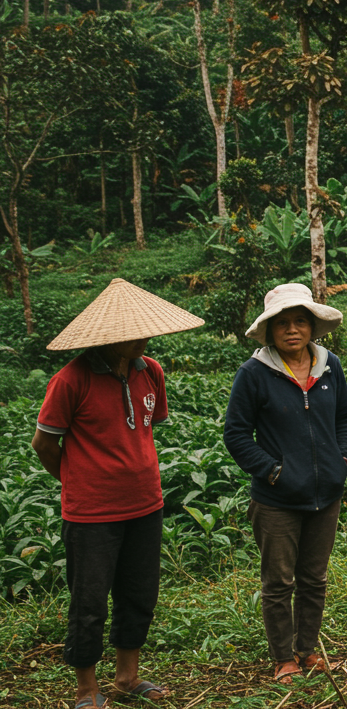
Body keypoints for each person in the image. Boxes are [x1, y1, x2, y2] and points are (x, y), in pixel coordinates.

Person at [33, 278, 205, 708]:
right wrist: (78, 482)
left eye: (146, 330)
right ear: (108, 336)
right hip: (91, 514)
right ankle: (87, 691)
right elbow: (44, 444)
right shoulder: (70, 381)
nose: (144, 338)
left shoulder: (151, 371)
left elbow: (145, 429)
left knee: (138, 594)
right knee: (89, 602)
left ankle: (127, 679)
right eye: (134, 332)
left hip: (145, 505)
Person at [223, 283, 347, 684]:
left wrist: (342, 460)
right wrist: (273, 471)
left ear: (312, 326)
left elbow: (345, 419)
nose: (293, 329)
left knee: (314, 578)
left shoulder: (329, 365)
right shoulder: (254, 374)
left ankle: (307, 649)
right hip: (276, 500)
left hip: (326, 495)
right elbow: (236, 434)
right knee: (279, 582)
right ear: (270, 330)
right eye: (283, 323)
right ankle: (283, 657)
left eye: (300, 321)